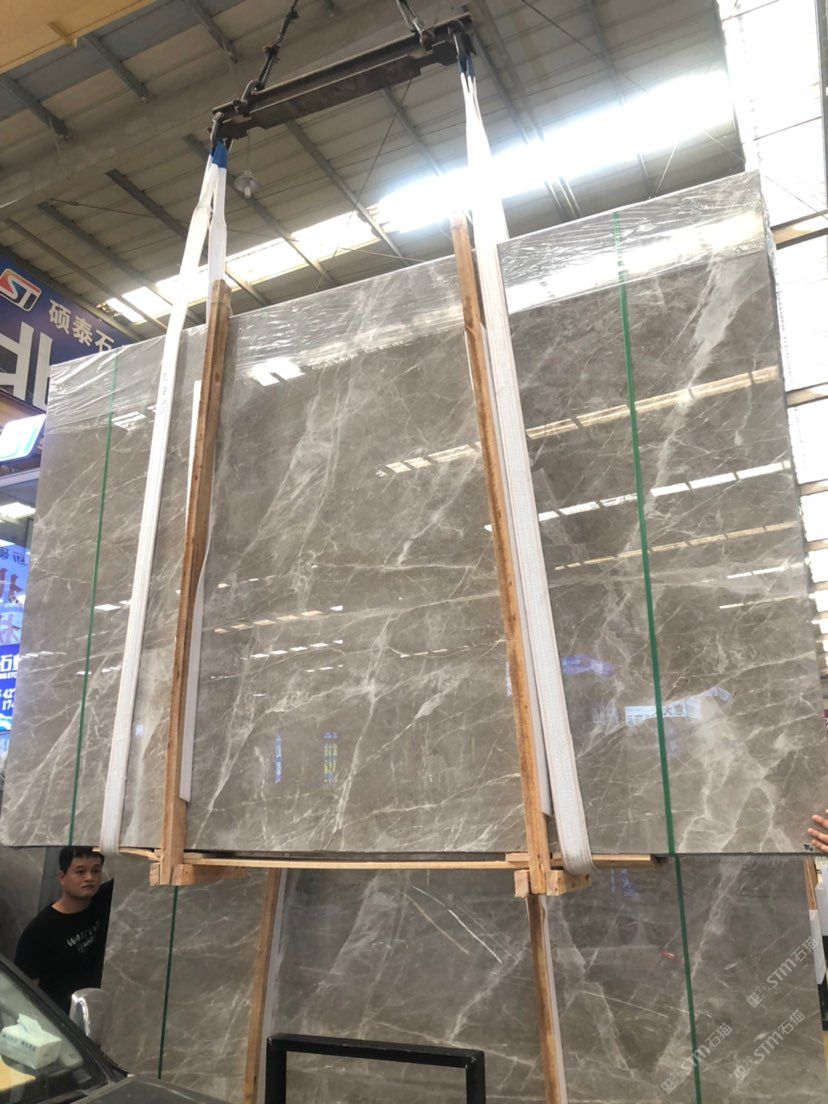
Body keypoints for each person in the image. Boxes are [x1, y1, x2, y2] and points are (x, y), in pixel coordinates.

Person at [14, 846, 113, 1013]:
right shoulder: (39, 930)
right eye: (80, 872)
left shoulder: (101, 901)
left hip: (93, 1012)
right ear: (62, 877)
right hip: (57, 1019)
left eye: (96, 871)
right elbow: (25, 992)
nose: (90, 878)